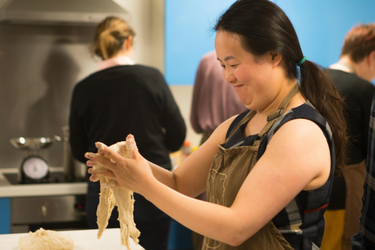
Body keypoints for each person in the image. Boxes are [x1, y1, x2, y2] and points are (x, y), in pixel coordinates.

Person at [85, 1, 347, 249]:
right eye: (222, 65)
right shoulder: (236, 126)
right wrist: (129, 166)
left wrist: (144, 184)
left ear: (273, 56)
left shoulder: (300, 132)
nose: (227, 77)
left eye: (233, 64)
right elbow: (179, 184)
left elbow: (236, 228)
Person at [68, 16, 186, 250]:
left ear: (98, 47)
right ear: (129, 41)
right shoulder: (152, 78)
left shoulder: (83, 88)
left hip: (104, 187)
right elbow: (176, 135)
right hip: (152, 186)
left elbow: (78, 149)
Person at [321, 23, 375, 250]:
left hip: (310, 189)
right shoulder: (364, 90)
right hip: (348, 192)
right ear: (371, 57)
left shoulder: (314, 80)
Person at [190, 50, 245, 250]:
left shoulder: (206, 60)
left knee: (204, 224)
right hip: (243, 141)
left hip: (208, 140)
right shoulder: (251, 63)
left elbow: (196, 120)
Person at [191, 50, 245, 145]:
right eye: (223, 66)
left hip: (212, 136)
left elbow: (195, 110)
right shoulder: (248, 59)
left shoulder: (207, 60)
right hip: (241, 136)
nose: (228, 77)